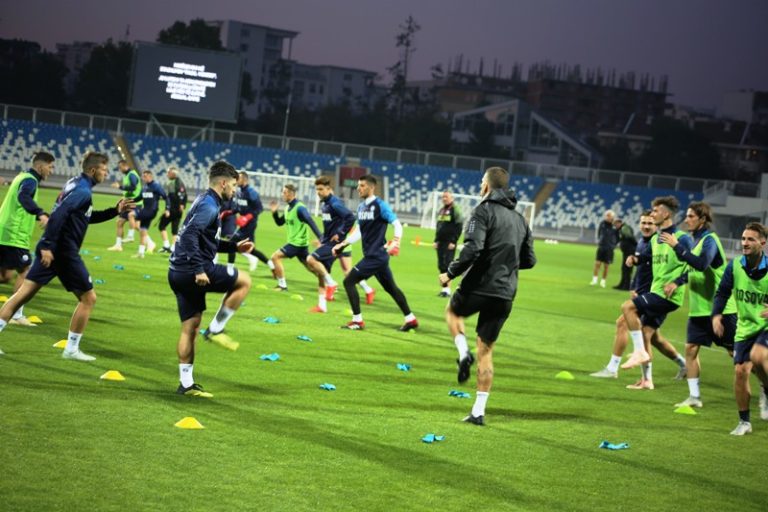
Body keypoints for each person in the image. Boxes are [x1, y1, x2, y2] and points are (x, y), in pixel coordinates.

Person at [0, 152, 133, 360]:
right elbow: (60, 214)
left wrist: (114, 211)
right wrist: (46, 244)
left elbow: (85, 217)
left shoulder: (75, 184)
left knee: (22, 295)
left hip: (53, 250)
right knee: (88, 298)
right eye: (104, 170)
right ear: (93, 170)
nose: (107, 174)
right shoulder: (82, 191)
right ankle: (71, 349)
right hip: (64, 252)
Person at [439, 167, 536, 426]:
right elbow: (529, 260)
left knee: (452, 311)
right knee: (487, 350)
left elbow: (473, 249)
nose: (480, 184)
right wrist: (506, 265)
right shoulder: (521, 220)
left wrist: (450, 273)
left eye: (482, 180)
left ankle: (462, 352)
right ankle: (478, 412)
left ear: (487, 186)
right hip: (505, 293)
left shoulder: (482, 211)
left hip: (479, 286)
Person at [168, 161, 253, 398]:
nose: (235, 190)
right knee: (244, 281)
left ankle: (186, 384)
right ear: (224, 183)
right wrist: (198, 269)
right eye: (234, 185)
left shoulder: (204, 200)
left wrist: (234, 245)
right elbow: (189, 237)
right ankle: (216, 329)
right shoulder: (209, 205)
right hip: (193, 270)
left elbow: (205, 239)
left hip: (176, 272)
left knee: (190, 327)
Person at [590, 211, 687, 386]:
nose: (646, 226)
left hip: (657, 295)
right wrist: (634, 286)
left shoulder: (661, 242)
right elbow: (641, 268)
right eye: (643, 223)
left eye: (650, 223)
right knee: (654, 337)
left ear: (656, 224)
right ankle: (682, 364)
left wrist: (676, 282)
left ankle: (618, 370)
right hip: (644, 294)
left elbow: (677, 267)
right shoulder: (644, 242)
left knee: (635, 328)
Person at [660, 202, 738, 409]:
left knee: (737, 354)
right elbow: (693, 269)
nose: (686, 219)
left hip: (720, 311)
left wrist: (677, 246)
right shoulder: (696, 242)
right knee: (691, 349)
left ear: (702, 219)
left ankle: (764, 388)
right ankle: (694, 397)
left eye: (691, 216)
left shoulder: (710, 240)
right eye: (686, 216)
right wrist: (677, 282)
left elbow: (702, 264)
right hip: (699, 310)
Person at [332, 175, 418, 331]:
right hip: (375, 256)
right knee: (391, 288)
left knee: (349, 281)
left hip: (376, 256)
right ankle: (410, 319)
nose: (359, 188)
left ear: (372, 187)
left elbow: (397, 224)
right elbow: (359, 231)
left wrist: (396, 242)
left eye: (362, 185)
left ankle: (357, 321)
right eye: (358, 185)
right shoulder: (361, 207)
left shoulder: (380, 205)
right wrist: (343, 244)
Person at [621, 196, 691, 372]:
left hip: (668, 296)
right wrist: (635, 259)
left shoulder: (682, 238)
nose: (652, 214)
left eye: (655, 211)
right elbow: (647, 258)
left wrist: (677, 282)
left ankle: (639, 352)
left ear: (666, 214)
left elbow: (696, 266)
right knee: (648, 335)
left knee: (628, 308)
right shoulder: (655, 239)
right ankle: (647, 380)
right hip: (656, 291)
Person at [713, 222, 768, 435]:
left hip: (765, 326)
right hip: (744, 327)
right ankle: (745, 422)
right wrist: (717, 315)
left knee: (758, 355)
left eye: (750, 239)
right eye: (743, 239)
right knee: (740, 371)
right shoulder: (735, 265)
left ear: (762, 243)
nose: (744, 243)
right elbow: (722, 293)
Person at [0, 151, 53, 327]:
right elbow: (23, 197)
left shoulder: (21, 176)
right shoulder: (30, 180)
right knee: (26, 271)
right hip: (14, 235)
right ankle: (16, 314)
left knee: (5, 277)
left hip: (4, 231)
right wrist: (40, 213)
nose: (51, 171)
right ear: (40, 166)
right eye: (50, 167)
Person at [305, 175, 356, 313]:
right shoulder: (326, 204)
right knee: (321, 272)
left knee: (311, 259)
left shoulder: (334, 203)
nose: (318, 192)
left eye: (321, 189)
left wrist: (340, 233)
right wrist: (322, 240)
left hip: (335, 244)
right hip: (328, 242)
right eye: (317, 189)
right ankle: (322, 305)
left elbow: (350, 217)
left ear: (329, 189)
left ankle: (332, 283)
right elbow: (330, 225)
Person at [269, 184, 322, 291]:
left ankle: (282, 285)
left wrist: (321, 238)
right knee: (310, 267)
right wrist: (274, 213)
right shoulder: (288, 208)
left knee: (275, 257)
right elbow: (280, 222)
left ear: (290, 194)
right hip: (299, 244)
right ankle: (328, 282)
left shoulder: (300, 208)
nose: (282, 195)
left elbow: (311, 222)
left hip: (297, 243)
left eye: (284, 192)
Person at [231, 172, 272, 273]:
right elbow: (239, 206)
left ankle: (230, 268)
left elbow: (260, 208)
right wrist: (230, 212)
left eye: (238, 178)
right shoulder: (239, 191)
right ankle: (271, 264)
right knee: (249, 249)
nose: (236, 180)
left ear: (245, 180)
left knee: (232, 244)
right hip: (243, 224)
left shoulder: (251, 192)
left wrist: (247, 217)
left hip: (250, 224)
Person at [107, 159, 143, 251]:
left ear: (125, 166)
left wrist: (120, 187)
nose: (119, 169)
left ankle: (130, 236)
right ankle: (118, 245)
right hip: (128, 201)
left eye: (120, 167)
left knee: (127, 223)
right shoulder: (128, 175)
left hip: (134, 202)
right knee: (120, 222)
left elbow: (133, 187)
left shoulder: (132, 175)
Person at [434, 190, 463, 297]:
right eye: (443, 197)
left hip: (449, 242)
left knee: (448, 264)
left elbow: (459, 226)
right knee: (441, 265)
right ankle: (444, 289)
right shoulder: (442, 210)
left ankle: (448, 290)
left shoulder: (455, 210)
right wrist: (436, 240)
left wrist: (454, 241)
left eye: (446, 197)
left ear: (452, 198)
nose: (444, 199)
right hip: (440, 242)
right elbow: (439, 226)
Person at [133, 170, 167, 258]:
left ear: (150, 176)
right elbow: (139, 198)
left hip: (152, 210)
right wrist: (128, 201)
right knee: (142, 230)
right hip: (146, 210)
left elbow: (165, 197)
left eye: (145, 176)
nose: (143, 178)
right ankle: (141, 253)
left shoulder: (156, 186)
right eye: (143, 176)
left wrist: (167, 209)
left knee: (131, 215)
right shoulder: (145, 187)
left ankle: (130, 236)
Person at [159, 166, 187, 253]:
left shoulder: (175, 183)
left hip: (173, 209)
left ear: (173, 174)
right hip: (177, 210)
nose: (167, 174)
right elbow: (184, 195)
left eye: (168, 172)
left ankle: (166, 245)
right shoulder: (175, 182)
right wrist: (182, 205)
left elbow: (179, 195)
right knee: (174, 229)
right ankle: (173, 248)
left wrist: (168, 209)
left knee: (162, 225)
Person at [591, 210, 617, 288]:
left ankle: (603, 281)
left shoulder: (614, 226)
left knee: (606, 266)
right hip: (601, 247)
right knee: (597, 264)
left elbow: (617, 236)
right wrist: (600, 241)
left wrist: (612, 245)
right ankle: (594, 280)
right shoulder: (602, 224)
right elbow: (599, 233)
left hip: (609, 249)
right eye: (606, 215)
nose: (607, 217)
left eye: (609, 216)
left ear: (612, 217)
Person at [613, 218, 637, 290]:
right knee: (624, 268)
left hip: (629, 251)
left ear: (619, 223)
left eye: (615, 225)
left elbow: (629, 236)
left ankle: (626, 286)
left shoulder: (624, 228)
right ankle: (622, 284)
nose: (615, 226)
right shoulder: (622, 229)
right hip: (627, 251)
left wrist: (636, 245)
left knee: (627, 268)